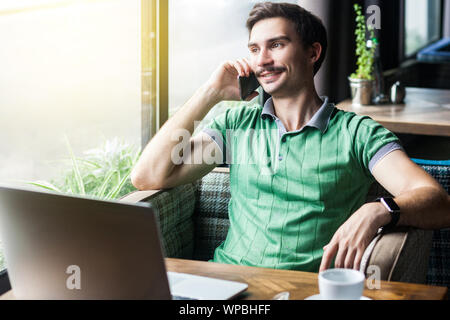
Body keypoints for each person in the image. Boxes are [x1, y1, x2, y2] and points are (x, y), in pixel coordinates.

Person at [131, 2, 449, 272]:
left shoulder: (357, 133)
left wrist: (378, 210)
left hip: (302, 289)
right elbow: (147, 176)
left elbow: (437, 202)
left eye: (277, 45)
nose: (262, 60)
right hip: (225, 284)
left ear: (313, 53)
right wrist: (210, 93)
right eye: (255, 49)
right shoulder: (236, 124)